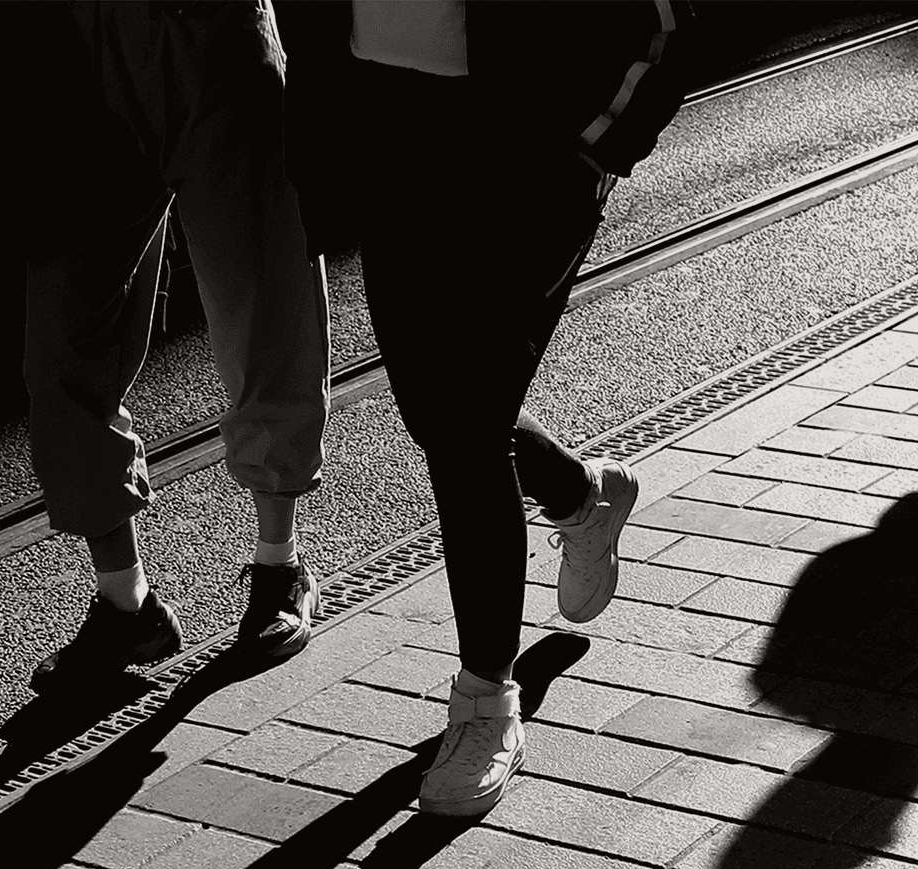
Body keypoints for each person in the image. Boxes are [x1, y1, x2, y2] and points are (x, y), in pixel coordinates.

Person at [278, 0, 694, 817]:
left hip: (527, 143)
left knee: (465, 423)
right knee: (441, 413)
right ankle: (580, 494)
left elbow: (669, 18)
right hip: (384, 122)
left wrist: (594, 145)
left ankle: (484, 703)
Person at [24, 0, 330, 695]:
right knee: (64, 335)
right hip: (78, 43)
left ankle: (281, 565)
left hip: (211, 30)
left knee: (264, 300)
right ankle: (125, 604)